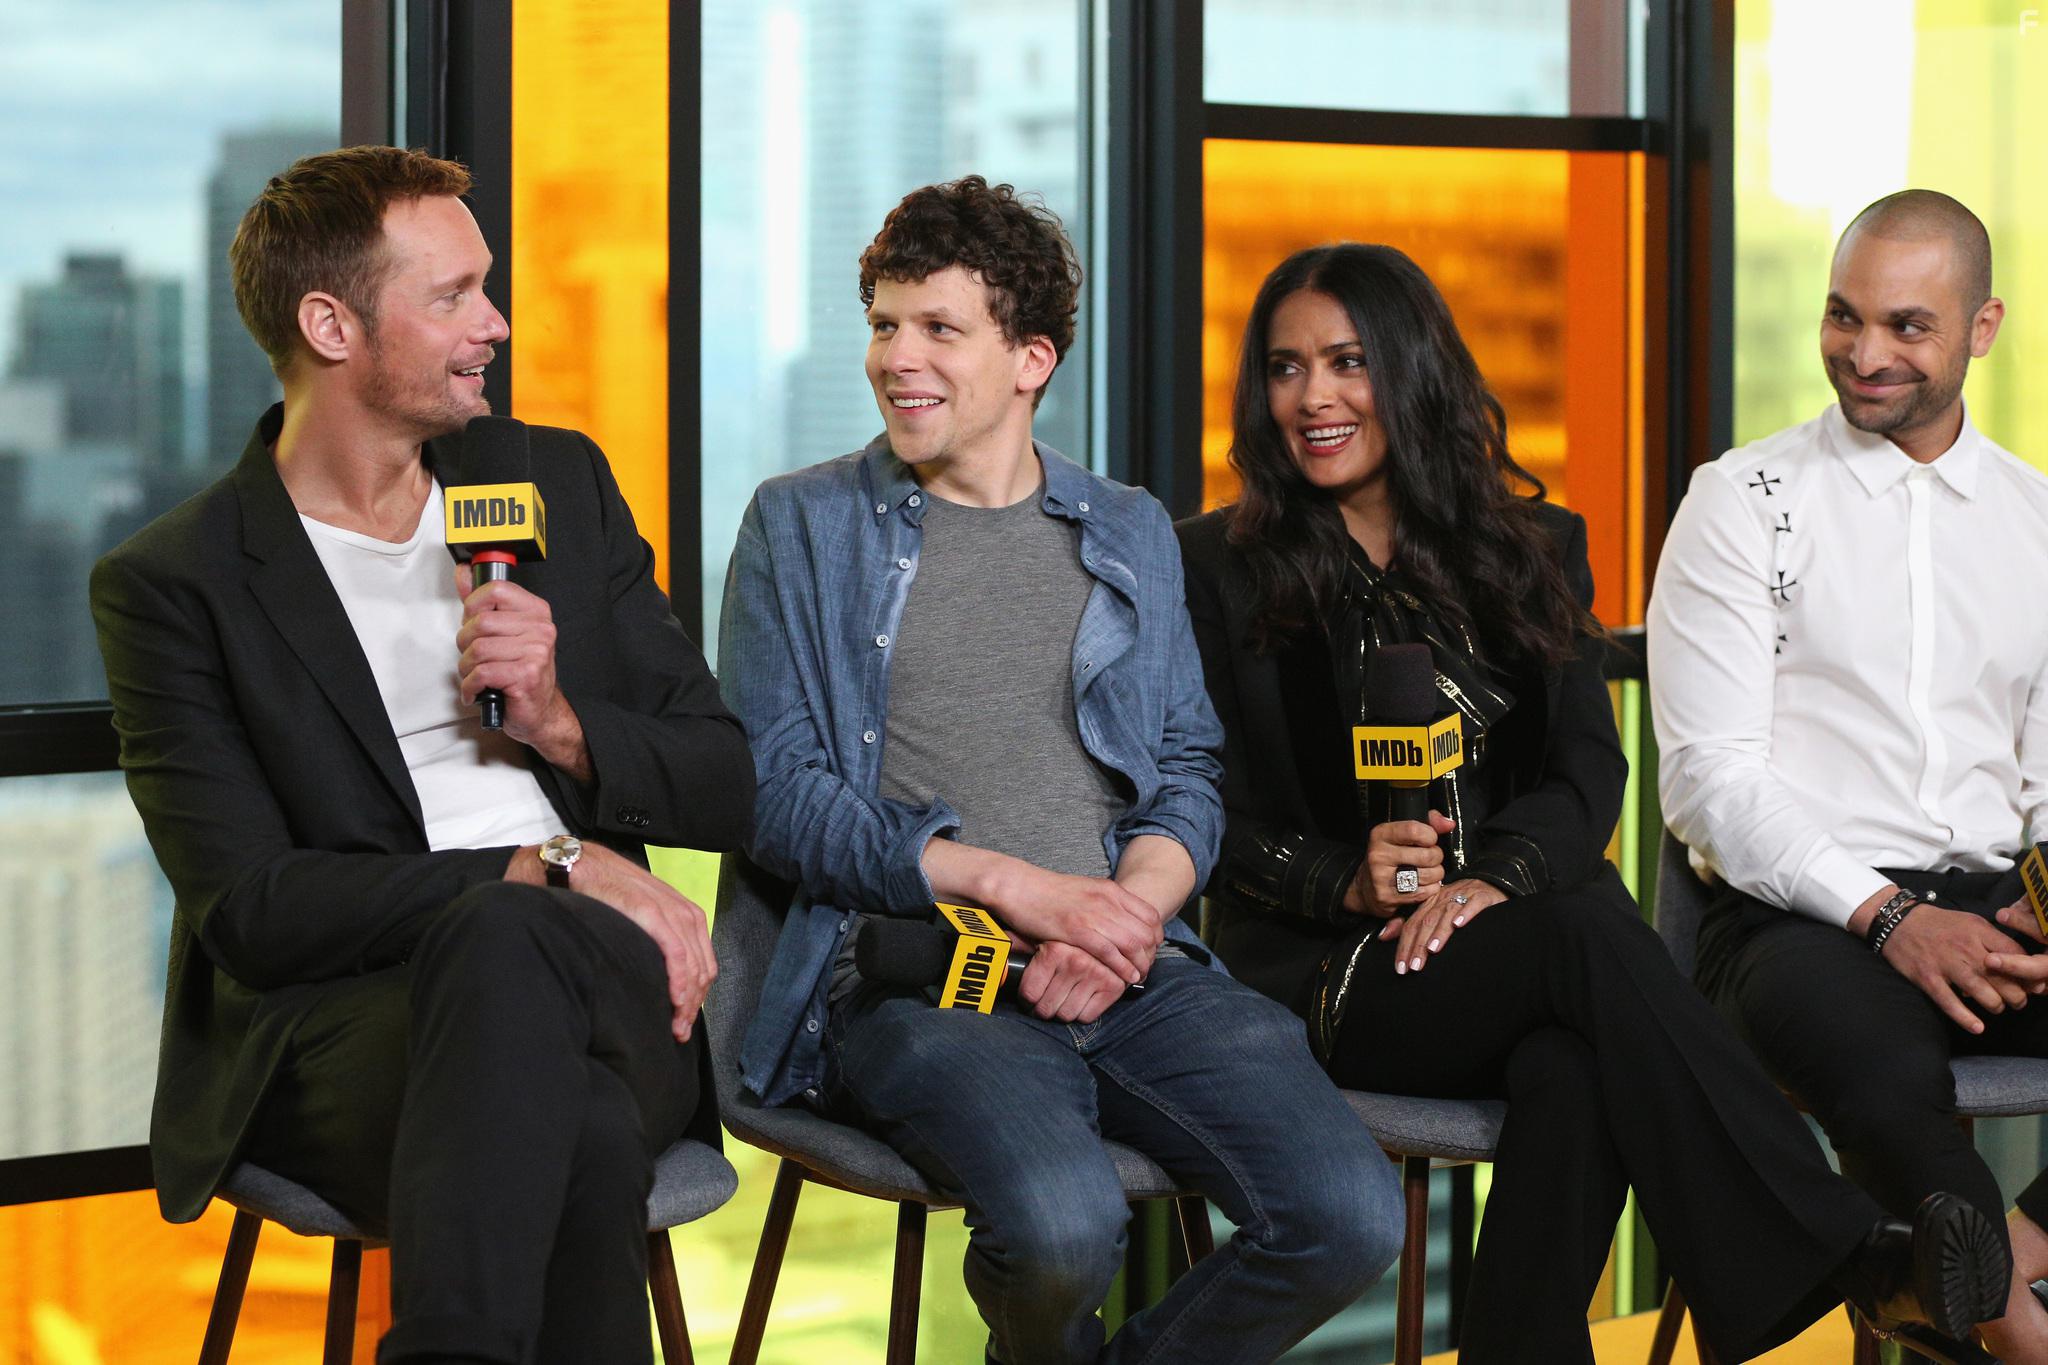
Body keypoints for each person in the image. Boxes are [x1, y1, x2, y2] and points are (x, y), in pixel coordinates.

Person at [1177, 240, 2012, 1364]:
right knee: (1584, 935)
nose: (1312, 397)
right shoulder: (1210, 565)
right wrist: (1340, 876)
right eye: (1283, 369)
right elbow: (1194, 806)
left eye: (1346, 362)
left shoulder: (1531, 546)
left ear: (1412, 371)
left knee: (1571, 1070)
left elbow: (1587, 773)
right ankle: (1849, 1247)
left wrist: (1488, 883)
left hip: (1518, 955)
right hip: (1329, 973)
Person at [718, 177, 1399, 1365]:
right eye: (882, 323)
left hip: (1131, 972)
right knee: (1063, 1232)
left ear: (1030, 359)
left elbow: (1185, 768)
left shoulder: (1126, 527)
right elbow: (773, 794)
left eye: (938, 329)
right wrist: (1015, 891)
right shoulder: (802, 524)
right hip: (919, 981)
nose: (894, 358)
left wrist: (1123, 920)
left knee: (1346, 1218)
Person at [91, 146, 750, 1364]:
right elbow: (253, 910)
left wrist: (556, 721)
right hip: (347, 1028)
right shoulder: (175, 583)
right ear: (330, 324)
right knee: (585, 1131)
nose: (493, 324)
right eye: (452, 296)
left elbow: (722, 780)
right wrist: (543, 865)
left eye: (484, 288)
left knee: (518, 966)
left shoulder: (557, 482)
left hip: (608, 987)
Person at [1650, 189, 2048, 1362]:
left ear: (1979, 329)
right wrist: (1888, 919)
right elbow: (1708, 784)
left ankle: (1991, 1265)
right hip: (1796, 924)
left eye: (1905, 327)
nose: (1862, 353)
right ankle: (2019, 1336)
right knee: (1877, 1077)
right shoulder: (1741, 503)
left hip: (1994, 904)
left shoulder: (2035, 518)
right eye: (1841, 316)